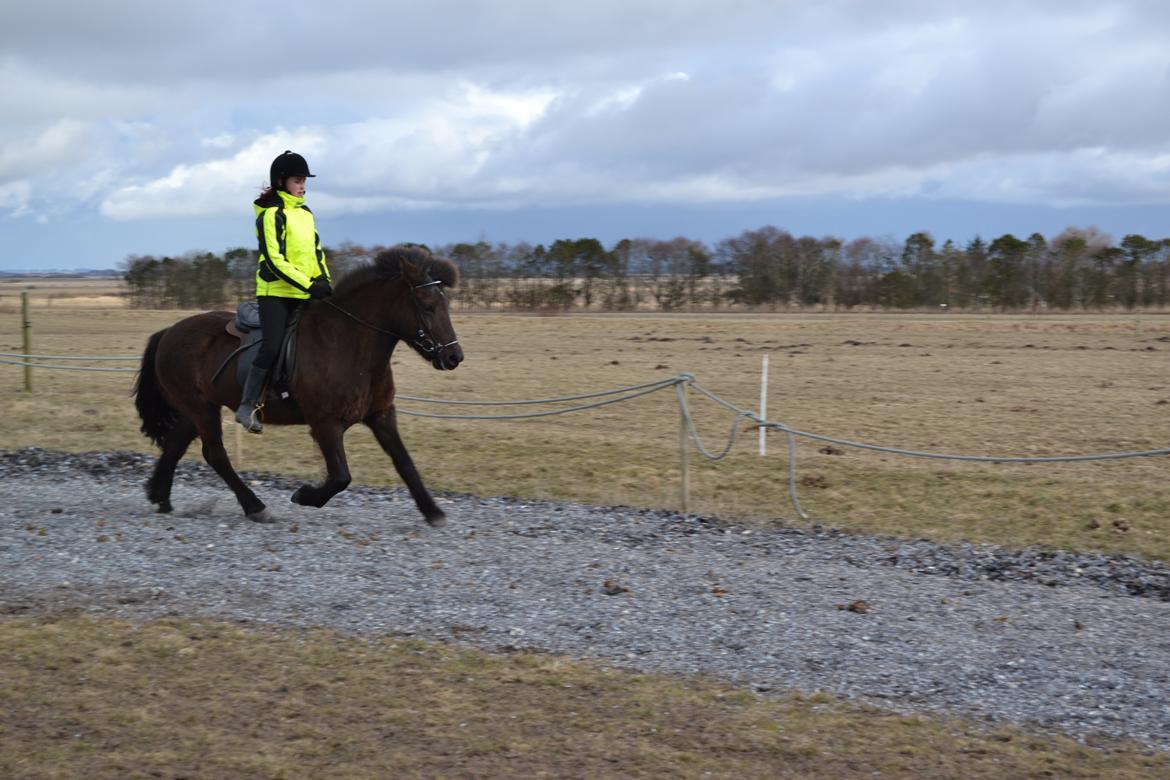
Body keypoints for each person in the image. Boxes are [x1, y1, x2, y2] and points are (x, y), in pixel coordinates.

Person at [236, 150, 333, 432]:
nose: (303, 186)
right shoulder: (270, 215)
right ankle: (247, 405)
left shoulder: (305, 213)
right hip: (275, 292)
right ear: (281, 182)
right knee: (273, 346)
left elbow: (316, 252)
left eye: (304, 181)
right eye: (297, 180)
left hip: (305, 291)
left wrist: (325, 281)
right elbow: (276, 261)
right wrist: (309, 285)